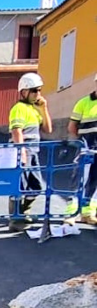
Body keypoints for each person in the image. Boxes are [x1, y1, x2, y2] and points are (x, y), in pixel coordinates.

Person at [8, 72, 51, 232]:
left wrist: (44, 108)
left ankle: (23, 212)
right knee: (19, 185)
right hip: (23, 152)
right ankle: (15, 220)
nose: (38, 94)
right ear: (24, 91)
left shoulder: (34, 109)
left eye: (39, 90)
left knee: (36, 186)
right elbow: (17, 131)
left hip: (33, 153)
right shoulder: (18, 108)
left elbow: (48, 129)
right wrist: (21, 152)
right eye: (34, 90)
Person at [67, 76, 97, 223]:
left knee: (94, 181)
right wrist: (84, 141)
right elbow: (72, 127)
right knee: (79, 178)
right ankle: (72, 213)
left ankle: (87, 213)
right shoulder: (83, 103)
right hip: (86, 148)